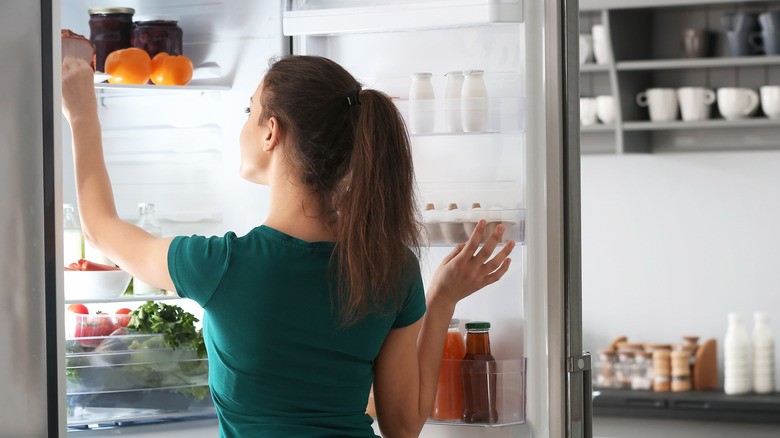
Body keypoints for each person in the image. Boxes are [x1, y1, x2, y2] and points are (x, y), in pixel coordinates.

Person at [61, 54, 515, 437]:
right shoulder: (391, 266)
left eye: (249, 110)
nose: (243, 124)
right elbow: (403, 427)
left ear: (271, 132)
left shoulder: (221, 265)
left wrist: (82, 113)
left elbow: (100, 227)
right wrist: (439, 301)